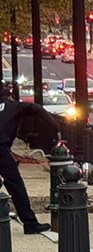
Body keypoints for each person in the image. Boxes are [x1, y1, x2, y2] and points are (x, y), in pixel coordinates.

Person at [0, 81, 56, 233]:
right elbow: (37, 109)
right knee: (16, 186)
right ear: (10, 96)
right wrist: (55, 129)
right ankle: (30, 223)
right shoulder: (14, 107)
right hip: (1, 151)